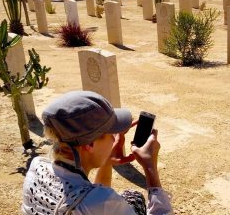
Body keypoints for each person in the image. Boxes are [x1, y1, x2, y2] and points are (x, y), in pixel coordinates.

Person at [22, 91, 173, 215]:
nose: (115, 138)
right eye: (111, 134)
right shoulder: (101, 202)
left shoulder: (37, 167)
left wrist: (107, 160)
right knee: (134, 199)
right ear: (90, 144)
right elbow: (98, 203)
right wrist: (150, 167)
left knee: (132, 197)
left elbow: (92, 200)